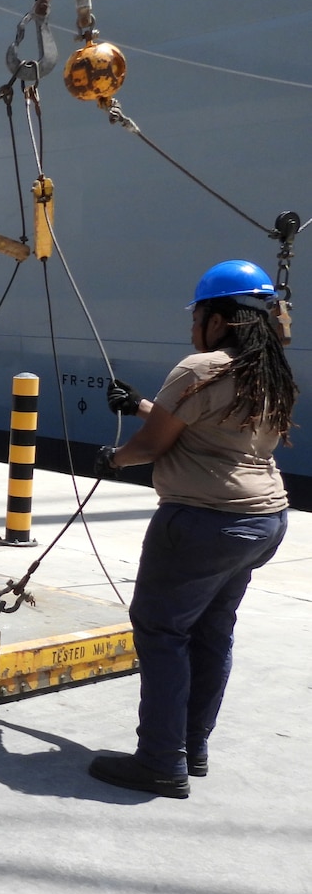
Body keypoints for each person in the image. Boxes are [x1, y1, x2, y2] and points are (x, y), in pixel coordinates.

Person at [89, 260, 296, 798]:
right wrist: (139, 405)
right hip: (263, 523)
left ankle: (160, 761)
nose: (191, 327)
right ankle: (191, 747)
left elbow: (155, 446)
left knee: (162, 634)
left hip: (203, 523)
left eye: (199, 315)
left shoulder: (199, 366)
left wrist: (113, 459)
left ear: (221, 320)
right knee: (211, 632)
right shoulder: (268, 372)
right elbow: (210, 432)